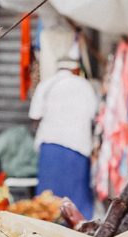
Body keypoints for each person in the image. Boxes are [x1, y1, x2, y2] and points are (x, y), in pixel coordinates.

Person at [28, 54, 99, 220]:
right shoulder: (85, 86)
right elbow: (94, 116)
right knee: (76, 201)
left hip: (50, 145)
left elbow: (34, 115)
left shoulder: (46, 85)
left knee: (47, 202)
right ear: (76, 69)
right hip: (78, 147)